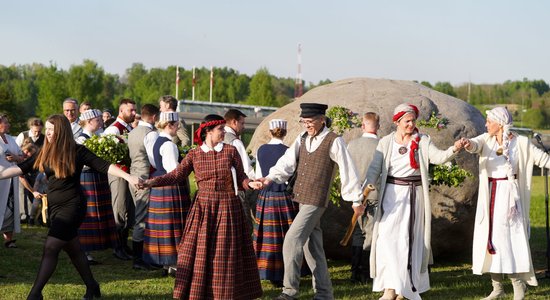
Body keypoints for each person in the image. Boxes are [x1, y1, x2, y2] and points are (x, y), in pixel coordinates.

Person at [0, 114, 140, 300]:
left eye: (51, 129)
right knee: (73, 249)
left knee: (51, 247)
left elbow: (104, 166)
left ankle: (35, 294)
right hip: (55, 208)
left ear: (61, 130)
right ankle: (92, 287)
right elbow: (20, 168)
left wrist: (129, 177)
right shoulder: (44, 151)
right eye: (47, 129)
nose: (48, 133)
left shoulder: (77, 150)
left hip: (73, 206)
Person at [139, 114, 263, 300]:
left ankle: (225, 293)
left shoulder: (230, 151)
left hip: (228, 207)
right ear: (208, 131)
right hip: (203, 208)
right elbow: (176, 176)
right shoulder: (194, 154)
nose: (223, 132)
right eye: (220, 129)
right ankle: (198, 291)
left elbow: (241, 177)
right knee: (196, 251)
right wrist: (151, 182)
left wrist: (250, 184)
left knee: (224, 253)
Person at [259, 103, 365, 300]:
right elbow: (287, 163)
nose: (306, 125)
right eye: (303, 121)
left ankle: (289, 292)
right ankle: (324, 294)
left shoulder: (334, 140)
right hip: (300, 197)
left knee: (291, 240)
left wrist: (356, 198)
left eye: (309, 121)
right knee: (312, 247)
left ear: (321, 119)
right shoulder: (302, 138)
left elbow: (347, 168)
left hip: (316, 200)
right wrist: (269, 178)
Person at [363, 103, 466, 300]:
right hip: (391, 196)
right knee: (386, 239)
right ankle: (389, 288)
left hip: (413, 196)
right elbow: (374, 170)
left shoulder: (422, 140)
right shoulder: (386, 142)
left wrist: (455, 148)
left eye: (413, 121)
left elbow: (439, 157)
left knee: (407, 241)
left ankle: (404, 288)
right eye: (407, 121)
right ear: (398, 122)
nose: (411, 124)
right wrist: (365, 191)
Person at [463, 107, 549, 300]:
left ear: (500, 123)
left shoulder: (521, 143)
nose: (485, 125)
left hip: (511, 199)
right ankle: (497, 288)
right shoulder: (486, 139)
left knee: (510, 241)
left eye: (489, 121)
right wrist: (467, 143)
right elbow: (474, 145)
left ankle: (518, 287)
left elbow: (543, 159)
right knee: (490, 239)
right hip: (491, 196)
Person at [76, 109, 127, 264]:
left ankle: (98, 244)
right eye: (98, 119)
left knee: (101, 212)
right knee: (88, 213)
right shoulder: (80, 139)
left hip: (98, 176)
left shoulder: (98, 136)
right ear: (89, 121)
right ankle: (85, 252)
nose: (101, 121)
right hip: (87, 176)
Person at [253, 119, 299, 287]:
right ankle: (285, 272)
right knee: (286, 236)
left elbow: (258, 175)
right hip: (284, 197)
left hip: (265, 196)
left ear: (270, 132)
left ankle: (265, 270)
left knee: (266, 236)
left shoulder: (261, 150)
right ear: (285, 132)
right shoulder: (289, 151)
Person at [143, 111, 191, 276]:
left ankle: (166, 264)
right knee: (173, 225)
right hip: (169, 187)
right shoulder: (169, 144)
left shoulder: (156, 140)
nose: (178, 128)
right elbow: (173, 171)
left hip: (159, 185)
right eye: (177, 125)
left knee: (163, 225)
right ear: (170, 125)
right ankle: (174, 264)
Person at [346, 112, 380, 284]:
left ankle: (354, 272)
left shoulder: (352, 145)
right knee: (371, 233)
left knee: (358, 232)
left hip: (356, 195)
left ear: (363, 126)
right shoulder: (382, 146)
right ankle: (366, 272)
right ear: (378, 126)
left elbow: (346, 171)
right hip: (376, 194)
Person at [127, 104, 160, 270]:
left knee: (139, 214)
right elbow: (154, 160)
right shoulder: (151, 134)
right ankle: (139, 259)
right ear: (154, 117)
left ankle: (140, 257)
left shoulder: (132, 132)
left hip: (133, 175)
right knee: (142, 218)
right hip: (144, 177)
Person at [103, 98, 137, 256]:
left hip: (128, 173)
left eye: (134, 110)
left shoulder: (128, 128)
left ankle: (123, 244)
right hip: (118, 173)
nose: (134, 113)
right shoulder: (113, 130)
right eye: (131, 110)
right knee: (120, 209)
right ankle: (117, 247)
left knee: (129, 209)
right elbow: (107, 153)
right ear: (121, 111)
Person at [224, 109, 256, 229]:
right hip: (237, 190)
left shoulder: (216, 138)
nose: (243, 127)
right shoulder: (235, 141)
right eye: (242, 123)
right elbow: (246, 168)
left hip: (221, 190)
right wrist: (254, 183)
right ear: (234, 122)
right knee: (245, 227)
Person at [0, 114, 24, 249]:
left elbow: (21, 156)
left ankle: (8, 239)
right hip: (0, 178)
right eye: (6, 122)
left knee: (10, 206)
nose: (8, 125)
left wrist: (16, 157)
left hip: (11, 180)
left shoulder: (11, 139)